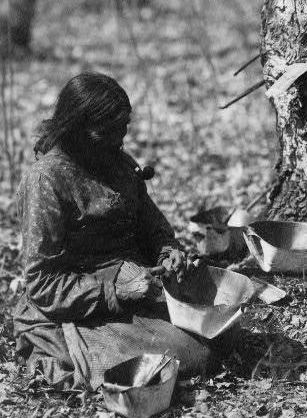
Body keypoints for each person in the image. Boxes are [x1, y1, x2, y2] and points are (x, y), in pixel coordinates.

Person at [13, 71, 214, 390]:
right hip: (81, 307)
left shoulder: (117, 160)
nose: (119, 140)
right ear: (75, 128)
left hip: (138, 287)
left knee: (216, 331)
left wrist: (168, 251)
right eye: (107, 131)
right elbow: (42, 283)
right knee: (189, 358)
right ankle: (58, 350)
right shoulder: (47, 180)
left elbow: (153, 227)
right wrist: (112, 290)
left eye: (123, 129)